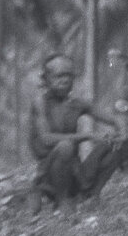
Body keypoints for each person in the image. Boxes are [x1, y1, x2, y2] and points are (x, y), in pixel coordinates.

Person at [29, 54, 121, 212]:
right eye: (59, 76)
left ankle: (93, 194)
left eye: (68, 76)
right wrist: (88, 136)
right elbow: (46, 139)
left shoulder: (76, 104)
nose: (65, 80)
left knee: (114, 143)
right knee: (65, 147)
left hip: (75, 172)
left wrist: (121, 129)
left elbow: (111, 118)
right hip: (50, 175)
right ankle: (61, 199)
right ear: (46, 79)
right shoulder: (40, 103)